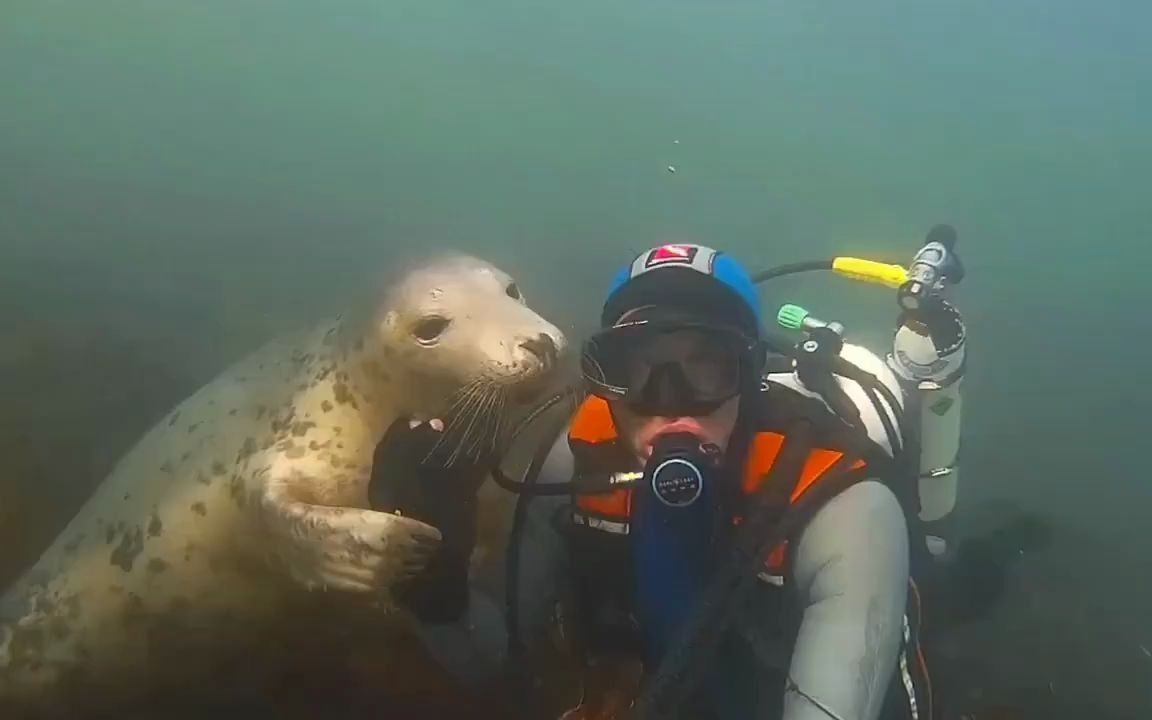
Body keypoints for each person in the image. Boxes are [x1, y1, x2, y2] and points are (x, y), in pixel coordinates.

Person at [501, 243, 936, 720]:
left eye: (708, 365)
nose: (671, 401)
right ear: (606, 379)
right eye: (638, 368)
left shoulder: (845, 507)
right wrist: (438, 594)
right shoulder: (576, 457)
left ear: (750, 376)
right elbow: (506, 651)